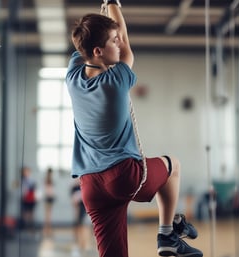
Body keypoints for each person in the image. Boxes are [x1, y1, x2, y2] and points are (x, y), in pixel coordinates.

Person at [66, 1, 203, 257]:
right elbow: (126, 42)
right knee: (173, 166)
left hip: (90, 187)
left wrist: (104, 20)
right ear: (98, 51)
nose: (119, 43)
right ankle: (166, 234)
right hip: (123, 177)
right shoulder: (116, 80)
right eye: (113, 41)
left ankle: (169, 232)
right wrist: (113, 5)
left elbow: (85, 46)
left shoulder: (73, 77)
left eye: (117, 40)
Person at [70, 180, 92, 254]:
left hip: (85, 208)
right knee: (78, 225)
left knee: (85, 226)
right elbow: (73, 200)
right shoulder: (74, 188)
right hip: (78, 208)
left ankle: (84, 243)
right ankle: (79, 242)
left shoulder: (84, 186)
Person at [20, 166, 37, 232]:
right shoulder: (22, 180)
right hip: (25, 198)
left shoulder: (31, 180)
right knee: (25, 213)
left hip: (31, 198)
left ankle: (31, 227)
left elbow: (34, 188)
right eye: (25, 171)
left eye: (27, 171)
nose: (26, 173)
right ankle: (26, 227)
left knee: (31, 213)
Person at [43, 167, 55, 237]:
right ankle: (46, 231)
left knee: (48, 216)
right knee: (48, 216)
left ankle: (47, 230)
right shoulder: (48, 179)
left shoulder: (49, 179)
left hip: (49, 198)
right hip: (48, 198)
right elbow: (47, 190)